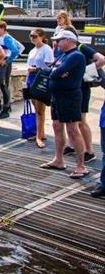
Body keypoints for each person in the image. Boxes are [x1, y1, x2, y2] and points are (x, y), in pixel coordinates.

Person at [40, 29, 88, 179]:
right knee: (57, 126)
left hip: (70, 97)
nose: (57, 43)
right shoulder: (63, 55)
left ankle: (81, 166)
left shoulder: (76, 56)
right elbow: (49, 70)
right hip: (57, 96)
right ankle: (58, 160)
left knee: (73, 129)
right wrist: (57, 72)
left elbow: (53, 73)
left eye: (59, 40)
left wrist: (56, 72)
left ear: (68, 41)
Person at [61, 25, 104, 163]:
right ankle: (73, 145)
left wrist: (84, 71)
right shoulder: (68, 51)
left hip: (82, 88)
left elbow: (101, 59)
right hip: (74, 88)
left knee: (81, 120)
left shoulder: (81, 47)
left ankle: (90, 151)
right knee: (73, 121)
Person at [26, 28, 53, 148]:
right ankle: (40, 133)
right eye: (31, 36)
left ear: (41, 36)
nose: (32, 38)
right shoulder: (32, 50)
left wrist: (36, 69)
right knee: (36, 109)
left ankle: (39, 136)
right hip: (31, 78)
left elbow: (49, 66)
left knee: (40, 109)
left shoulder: (46, 49)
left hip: (40, 78)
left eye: (35, 36)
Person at [0, 21, 23, 119]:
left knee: (3, 85)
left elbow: (15, 50)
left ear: (2, 28)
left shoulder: (6, 38)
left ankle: (6, 107)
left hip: (4, 62)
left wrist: (8, 61)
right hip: (0, 62)